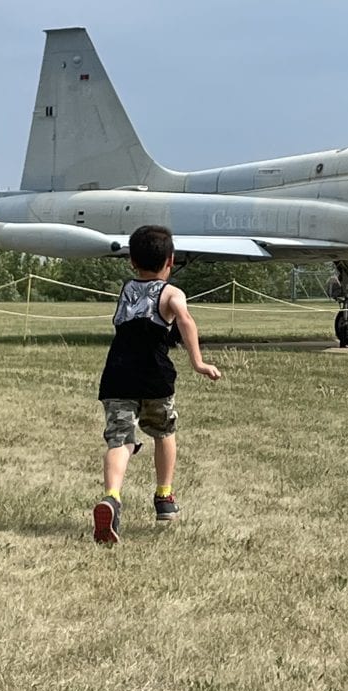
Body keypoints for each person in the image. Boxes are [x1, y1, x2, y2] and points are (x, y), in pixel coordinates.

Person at [92, 224, 222, 544]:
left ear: (131, 262)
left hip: (117, 375)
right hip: (154, 377)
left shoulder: (126, 288)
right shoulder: (171, 292)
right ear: (171, 260)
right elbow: (184, 318)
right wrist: (198, 362)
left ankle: (111, 497)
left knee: (119, 441)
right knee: (164, 433)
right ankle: (164, 496)